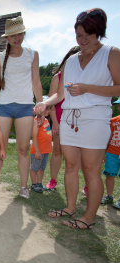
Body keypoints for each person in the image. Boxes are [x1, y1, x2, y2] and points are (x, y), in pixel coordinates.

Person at [34, 8, 120, 229]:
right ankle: (70, 208)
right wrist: (47, 102)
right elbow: (60, 94)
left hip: (95, 119)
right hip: (70, 120)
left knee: (91, 170)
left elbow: (118, 88)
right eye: (78, 35)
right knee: (70, 166)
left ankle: (88, 219)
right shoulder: (71, 60)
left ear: (98, 33)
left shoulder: (111, 53)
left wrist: (88, 88)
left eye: (87, 36)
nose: (82, 40)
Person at [0, 16, 43, 199]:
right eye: (12, 35)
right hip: (3, 106)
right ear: (7, 38)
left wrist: (41, 104)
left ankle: (23, 187)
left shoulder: (32, 54)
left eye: (19, 34)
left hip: (25, 106)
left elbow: (36, 81)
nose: (16, 38)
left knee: (23, 149)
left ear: (24, 33)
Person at [45, 47, 82, 190]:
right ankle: (53, 180)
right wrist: (54, 122)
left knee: (80, 155)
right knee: (58, 150)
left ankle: (85, 187)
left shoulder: (84, 78)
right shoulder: (58, 77)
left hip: (80, 121)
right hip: (59, 119)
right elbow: (51, 102)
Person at [100, 97, 120, 208]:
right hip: (112, 152)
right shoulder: (113, 121)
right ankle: (109, 196)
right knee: (109, 175)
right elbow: (108, 137)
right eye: (119, 105)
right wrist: (104, 152)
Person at [30, 105, 53, 193]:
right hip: (38, 151)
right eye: (46, 109)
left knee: (41, 168)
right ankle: (34, 184)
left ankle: (39, 183)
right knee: (34, 168)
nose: (49, 111)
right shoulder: (36, 121)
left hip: (45, 150)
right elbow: (34, 137)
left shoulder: (46, 120)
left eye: (50, 108)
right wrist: (37, 151)